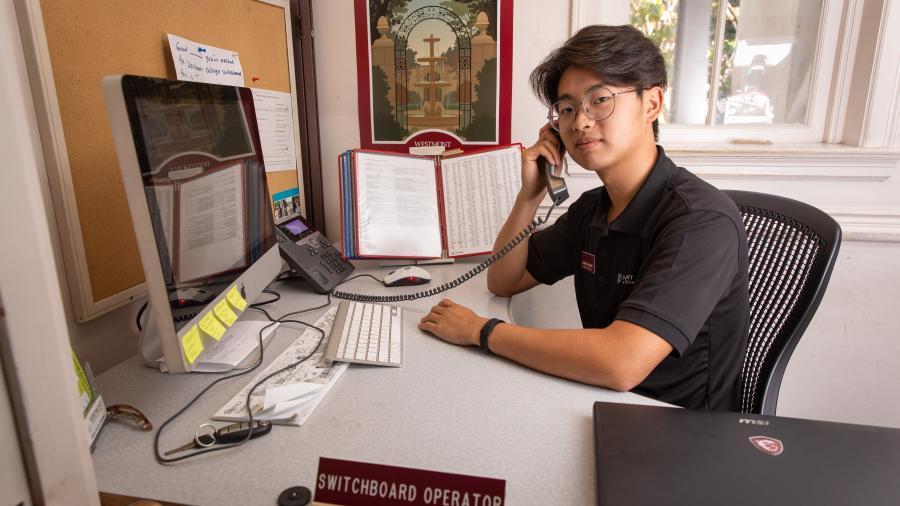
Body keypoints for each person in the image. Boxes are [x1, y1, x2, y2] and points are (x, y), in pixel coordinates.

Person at [418, 25, 750, 411]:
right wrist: (530, 197)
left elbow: (620, 363)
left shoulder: (702, 221)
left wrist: (482, 330)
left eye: (600, 100)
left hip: (680, 431)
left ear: (652, 104)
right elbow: (504, 280)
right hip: (599, 401)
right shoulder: (594, 209)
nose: (580, 123)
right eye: (567, 108)